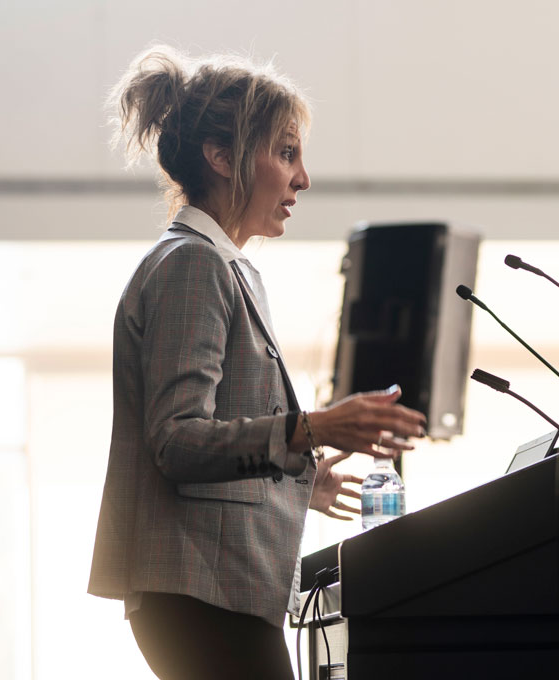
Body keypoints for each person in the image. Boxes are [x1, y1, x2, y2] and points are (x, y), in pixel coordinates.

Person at [87, 45, 427, 679]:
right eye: (287, 153)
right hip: (199, 593)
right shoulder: (192, 265)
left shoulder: (222, 267)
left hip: (214, 590)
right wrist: (316, 428)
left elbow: (210, 445)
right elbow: (179, 442)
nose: (303, 179)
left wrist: (298, 479)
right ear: (221, 157)